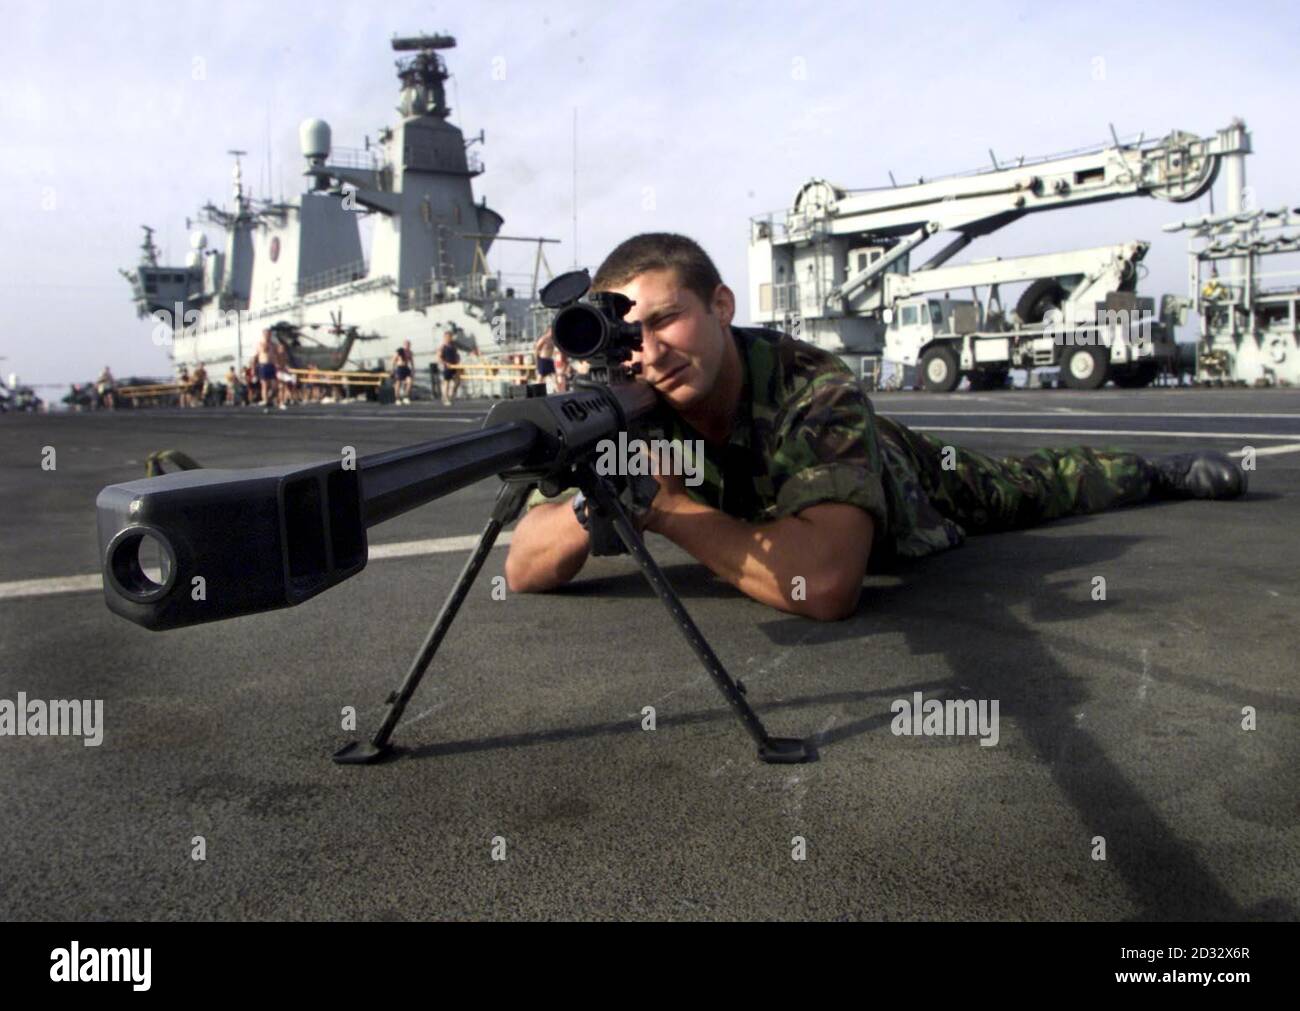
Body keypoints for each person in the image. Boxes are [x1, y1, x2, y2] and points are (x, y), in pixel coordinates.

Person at [504, 233, 1247, 621]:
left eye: (667, 317)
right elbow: (523, 569)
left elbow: (824, 585)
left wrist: (664, 508)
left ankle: (1156, 469)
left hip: (903, 479)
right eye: (632, 335)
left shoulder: (810, 382)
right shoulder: (629, 400)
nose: (653, 350)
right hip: (767, 517)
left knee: (1037, 483)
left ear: (721, 304)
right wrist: (596, 496)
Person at [254, 331, 278, 410]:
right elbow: (258, 354)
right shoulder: (260, 343)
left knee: (275, 387)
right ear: (263, 335)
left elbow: (276, 354)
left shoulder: (273, 344)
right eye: (266, 334)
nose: (268, 336)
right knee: (265, 385)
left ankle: (269, 399)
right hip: (263, 365)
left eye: (269, 334)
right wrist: (254, 369)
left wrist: (276, 364)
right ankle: (265, 401)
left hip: (271, 365)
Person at [439, 330, 461, 406]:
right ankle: (445, 398)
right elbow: (439, 358)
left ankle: (451, 395)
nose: (449, 338)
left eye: (450, 337)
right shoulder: (443, 347)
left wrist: (458, 359)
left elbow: (457, 355)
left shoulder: (453, 346)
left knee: (457, 381)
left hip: (454, 366)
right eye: (448, 337)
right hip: (447, 367)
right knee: (447, 383)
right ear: (445, 337)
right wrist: (446, 363)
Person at [534, 329, 558, 393]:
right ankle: (535, 392)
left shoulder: (553, 340)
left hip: (550, 360)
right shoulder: (543, 339)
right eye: (551, 331)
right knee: (540, 378)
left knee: (555, 377)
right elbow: (536, 349)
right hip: (543, 360)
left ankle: (558, 392)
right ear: (548, 331)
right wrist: (537, 361)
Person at [391, 340, 415, 405]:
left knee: (410, 382)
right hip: (399, 368)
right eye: (406, 345)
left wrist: (413, 370)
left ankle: (406, 397)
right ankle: (397, 398)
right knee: (398, 383)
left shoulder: (410, 352)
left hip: (406, 368)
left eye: (409, 345)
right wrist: (393, 370)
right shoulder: (399, 351)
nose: (408, 346)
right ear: (404, 345)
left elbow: (412, 361)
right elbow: (393, 360)